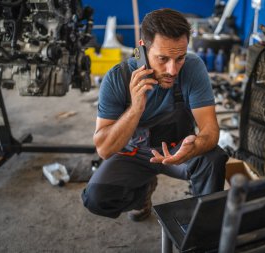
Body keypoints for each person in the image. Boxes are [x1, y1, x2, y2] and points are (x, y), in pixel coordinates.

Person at [82, 8, 228, 221]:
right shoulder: (117, 78)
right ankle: (141, 195)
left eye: (180, 58)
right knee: (96, 198)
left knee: (213, 159)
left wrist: (193, 147)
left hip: (177, 149)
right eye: (163, 58)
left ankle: (203, 226)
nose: (173, 70)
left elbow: (211, 130)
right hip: (134, 153)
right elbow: (104, 149)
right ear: (142, 50)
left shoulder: (193, 67)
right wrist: (135, 108)